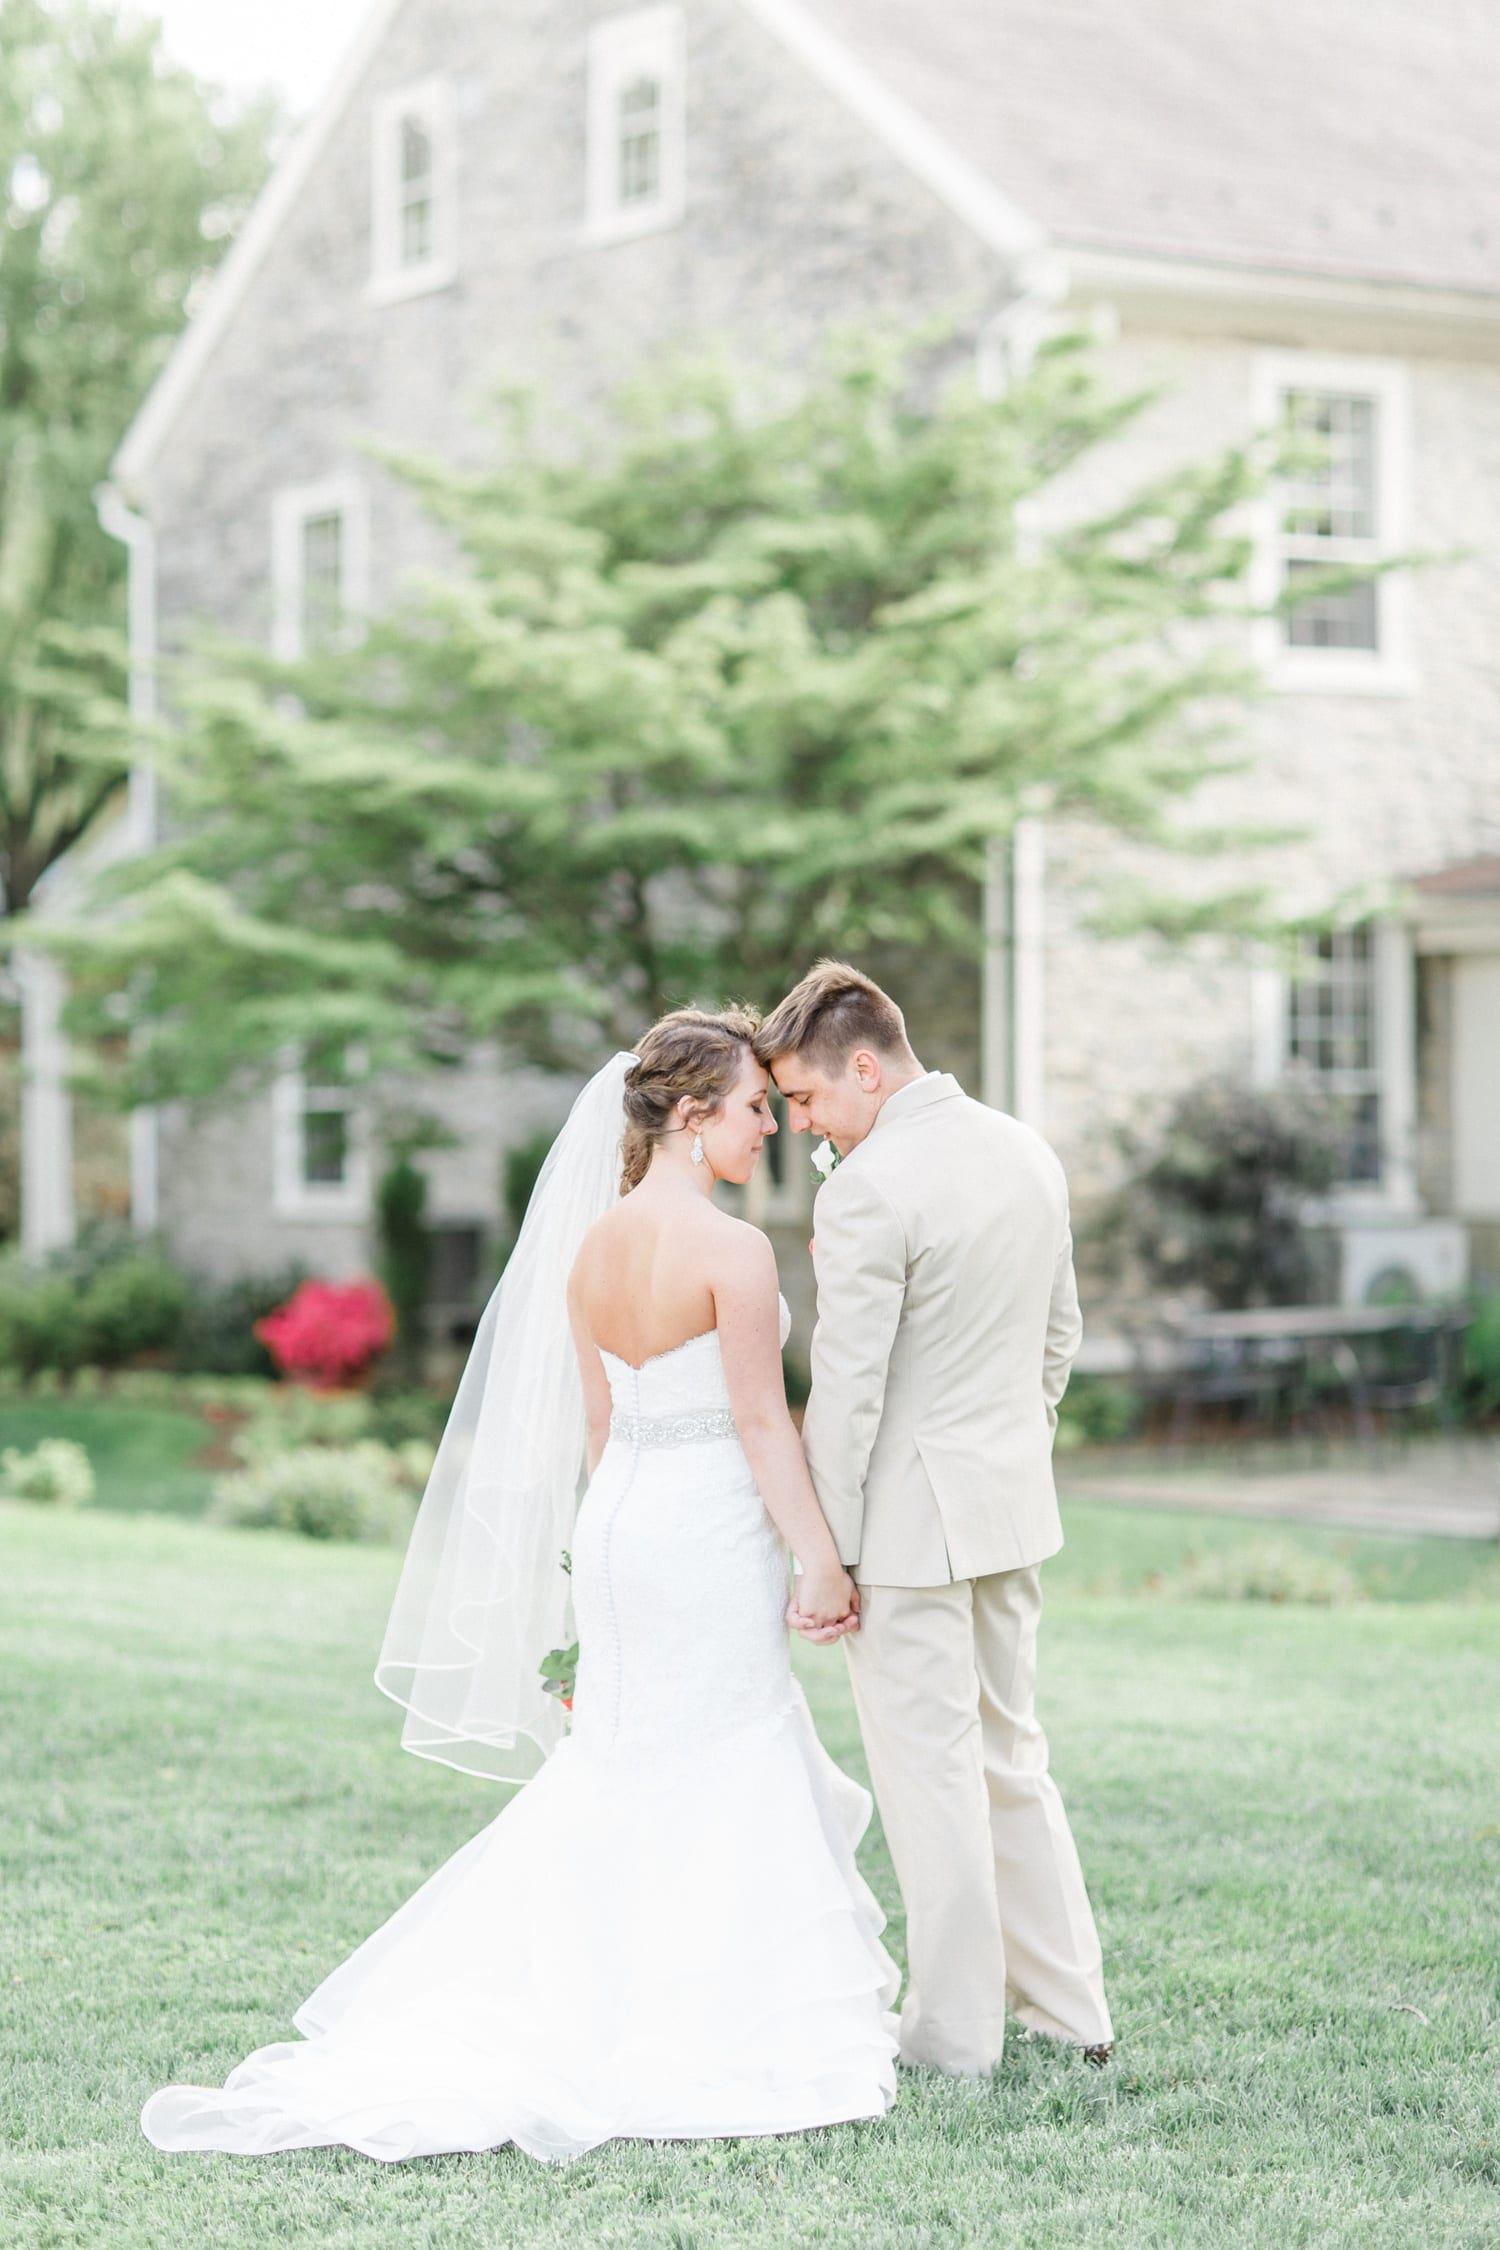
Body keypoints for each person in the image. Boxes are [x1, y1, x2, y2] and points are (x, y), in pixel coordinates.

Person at [141, 1009, 897, 2165]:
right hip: (701, 1530)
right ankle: (711, 2014)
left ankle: (600, 1988)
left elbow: (602, 1426)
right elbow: (759, 1422)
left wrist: (609, 1560)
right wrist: (819, 1556)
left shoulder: (590, 1247)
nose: (766, 1129)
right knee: (725, 1740)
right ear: (691, 1118)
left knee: (633, 1752)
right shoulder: (734, 1251)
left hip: (618, 1531)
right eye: (753, 1108)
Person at [758, 961, 1114, 2078]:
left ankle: (956, 2039)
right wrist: (1009, 1449)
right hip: (1010, 1510)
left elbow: (849, 1394)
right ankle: (1071, 2014)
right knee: (1012, 1757)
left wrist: (828, 1554)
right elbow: (1060, 1338)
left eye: (807, 1101)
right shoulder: (1026, 1149)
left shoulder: (865, 1190)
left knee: (931, 1780)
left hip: (907, 1536)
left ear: (865, 1067)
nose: (800, 1126)